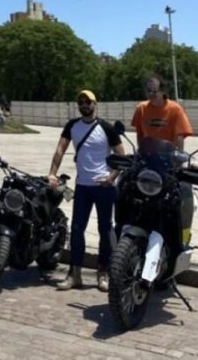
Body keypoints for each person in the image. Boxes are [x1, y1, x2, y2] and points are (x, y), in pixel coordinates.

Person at [48, 89, 125, 292]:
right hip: (83, 186)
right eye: (81, 102)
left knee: (105, 230)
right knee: (77, 230)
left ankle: (103, 272)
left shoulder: (106, 128)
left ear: (95, 104)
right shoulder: (72, 126)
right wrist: (52, 173)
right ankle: (75, 274)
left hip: (104, 188)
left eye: (87, 102)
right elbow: (60, 149)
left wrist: (112, 177)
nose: (84, 105)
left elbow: (121, 155)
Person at [131, 74, 193, 150]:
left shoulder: (175, 109)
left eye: (154, 91)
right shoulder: (141, 108)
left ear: (163, 91)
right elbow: (139, 134)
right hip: (148, 155)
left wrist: (178, 158)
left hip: (168, 156)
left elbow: (179, 136)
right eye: (148, 90)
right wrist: (140, 152)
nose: (150, 94)